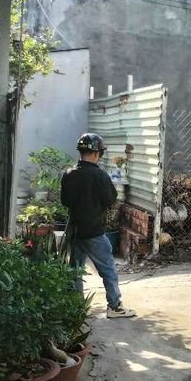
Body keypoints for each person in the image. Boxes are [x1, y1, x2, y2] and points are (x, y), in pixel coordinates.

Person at [61, 133, 135, 319]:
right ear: (96, 154)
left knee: (75, 270)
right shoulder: (100, 175)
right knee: (108, 269)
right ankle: (115, 307)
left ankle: (76, 307)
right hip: (94, 232)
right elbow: (111, 200)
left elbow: (65, 201)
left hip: (75, 231)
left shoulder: (68, 174)